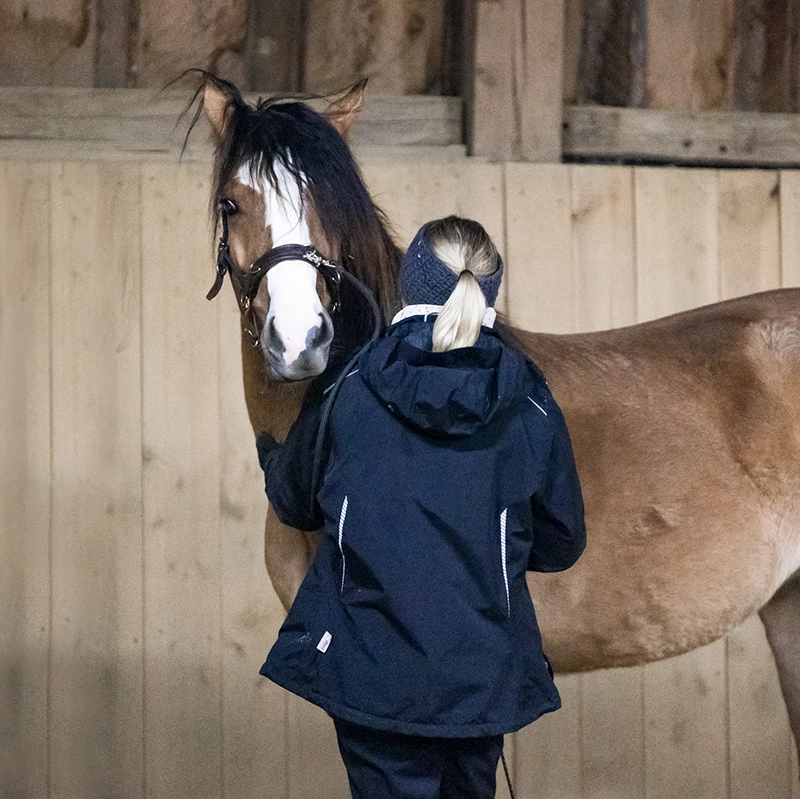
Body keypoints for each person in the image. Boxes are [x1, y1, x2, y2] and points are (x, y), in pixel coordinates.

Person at [256, 216, 586, 799]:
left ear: (410, 284)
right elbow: (562, 543)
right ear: (488, 289)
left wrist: (270, 454)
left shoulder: (349, 386)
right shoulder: (529, 401)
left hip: (372, 673)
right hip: (479, 677)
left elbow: (297, 503)